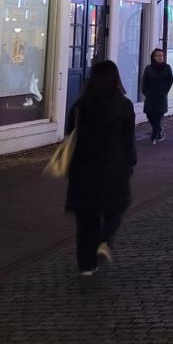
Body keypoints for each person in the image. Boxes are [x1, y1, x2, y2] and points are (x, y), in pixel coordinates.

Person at [65, 60, 136, 276]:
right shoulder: (124, 106)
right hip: (113, 166)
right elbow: (128, 138)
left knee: (86, 217)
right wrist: (130, 161)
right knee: (116, 207)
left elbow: (70, 135)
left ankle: (86, 264)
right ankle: (103, 239)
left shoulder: (79, 107)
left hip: (83, 168)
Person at [140, 48, 173, 144]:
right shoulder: (149, 68)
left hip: (161, 97)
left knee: (158, 116)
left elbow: (170, 80)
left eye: (162, 56)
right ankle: (159, 130)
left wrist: (165, 91)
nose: (160, 57)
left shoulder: (167, 68)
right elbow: (144, 81)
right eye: (158, 55)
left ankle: (154, 136)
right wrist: (145, 91)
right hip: (150, 96)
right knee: (149, 115)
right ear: (153, 57)